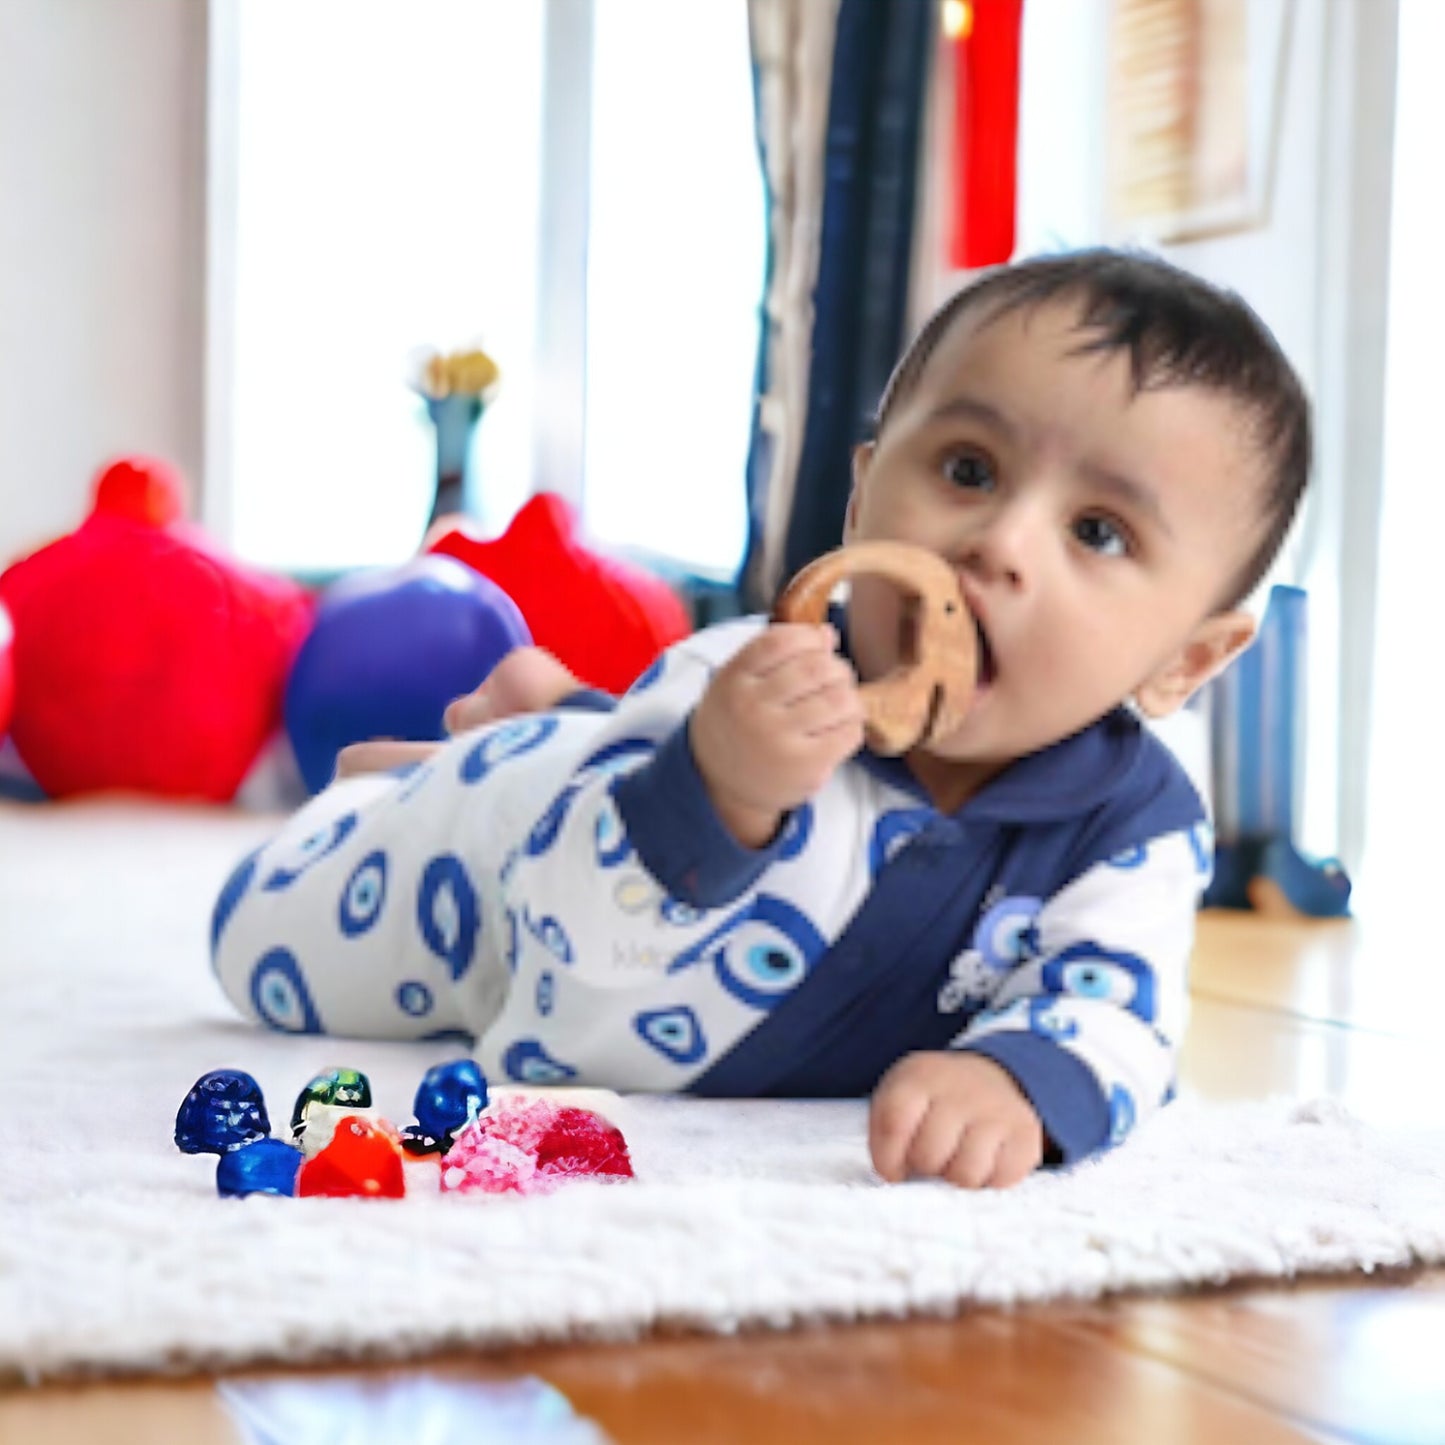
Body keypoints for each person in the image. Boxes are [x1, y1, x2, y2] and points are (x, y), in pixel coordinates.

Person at [211, 248, 1310, 1190]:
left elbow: (1120, 1012)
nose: (999, 545)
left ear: (1187, 658)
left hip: (623, 858)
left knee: (571, 745)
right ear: (864, 494)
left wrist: (1014, 1072)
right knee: (256, 942)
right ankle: (435, 778)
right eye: (967, 470)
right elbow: (570, 946)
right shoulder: (745, 674)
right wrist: (716, 784)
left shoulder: (1133, 822)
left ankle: (552, 715)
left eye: (1099, 532)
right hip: (494, 879)